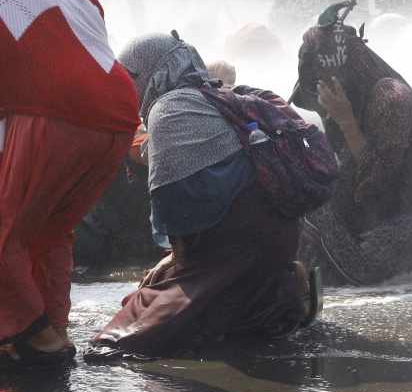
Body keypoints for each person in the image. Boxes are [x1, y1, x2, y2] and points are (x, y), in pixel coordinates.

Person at [92, 34, 321, 356]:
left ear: (152, 73)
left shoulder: (171, 111)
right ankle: (280, 292)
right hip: (272, 240)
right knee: (153, 297)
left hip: (232, 251)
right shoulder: (214, 99)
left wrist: (173, 260)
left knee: (117, 342)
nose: (128, 86)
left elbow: (180, 215)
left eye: (132, 77)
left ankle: (281, 296)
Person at [0, 0, 141, 368]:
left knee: (6, 233)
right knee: (50, 230)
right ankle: (53, 327)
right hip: (118, 117)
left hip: (57, 114)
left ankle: (38, 338)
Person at [290, 1, 412, 285]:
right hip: (385, 218)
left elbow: (379, 184)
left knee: (319, 218)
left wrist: (346, 120)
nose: (319, 96)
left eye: (321, 83)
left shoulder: (390, 99)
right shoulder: (344, 100)